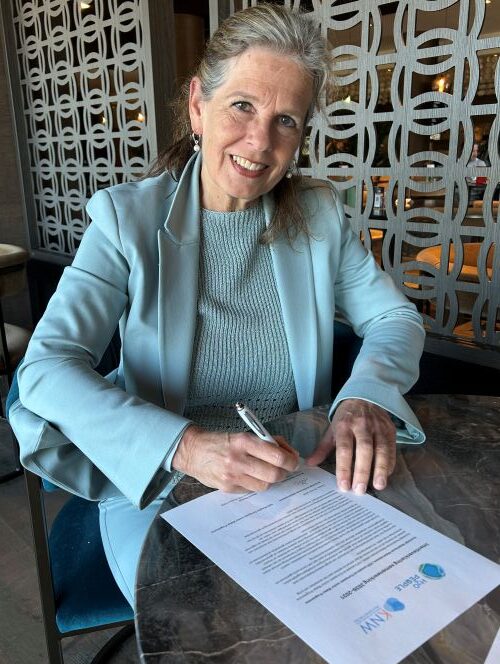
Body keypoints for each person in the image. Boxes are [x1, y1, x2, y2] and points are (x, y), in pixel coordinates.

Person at [9, 4, 425, 609]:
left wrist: (367, 394)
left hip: (294, 473)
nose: (260, 142)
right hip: (163, 478)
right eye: (242, 106)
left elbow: (393, 318)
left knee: (376, 599)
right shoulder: (127, 219)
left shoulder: (318, 215)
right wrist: (185, 446)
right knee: (222, 622)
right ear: (198, 105)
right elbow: (46, 368)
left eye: (286, 120)